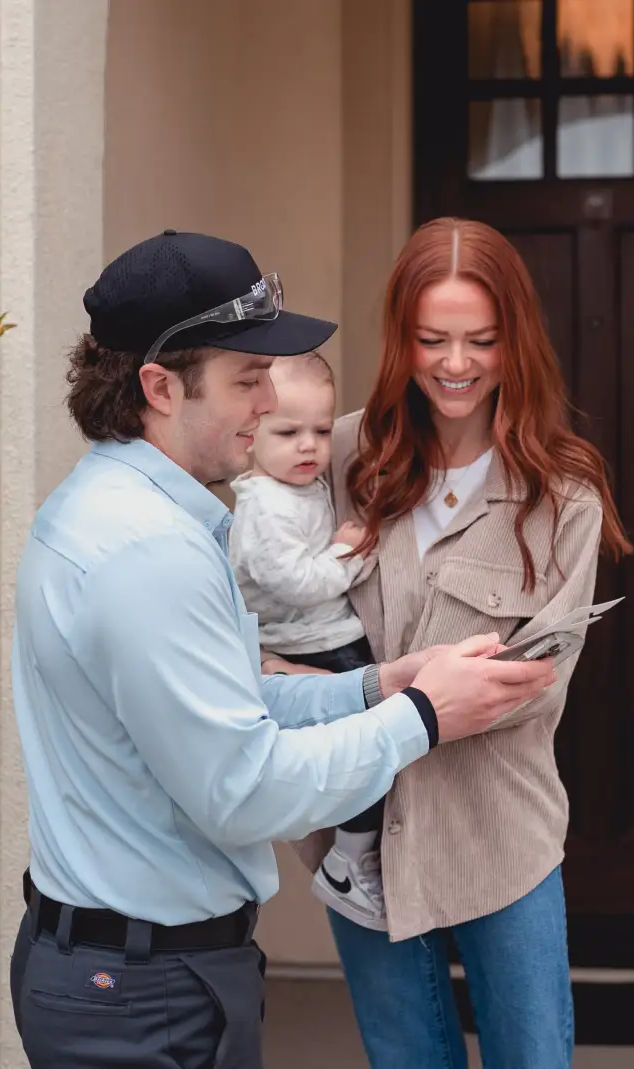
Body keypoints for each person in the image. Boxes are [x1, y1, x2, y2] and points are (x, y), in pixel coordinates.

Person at [7, 229, 559, 1069]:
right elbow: (245, 789)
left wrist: (372, 686)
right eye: (247, 378)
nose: (271, 403)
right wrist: (421, 715)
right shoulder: (145, 553)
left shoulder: (132, 513)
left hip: (150, 971)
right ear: (160, 386)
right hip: (141, 993)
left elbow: (235, 705)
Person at [282, 217, 633, 1069]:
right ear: (400, 337)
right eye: (431, 338)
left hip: (499, 837)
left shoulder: (564, 493)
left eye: (482, 339)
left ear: (517, 340)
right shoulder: (334, 457)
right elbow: (264, 613)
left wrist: (378, 690)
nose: (455, 363)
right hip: (358, 839)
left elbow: (537, 686)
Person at [226, 352, 388, 932]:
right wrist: (349, 550)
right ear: (252, 435)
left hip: (331, 639)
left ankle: (356, 852)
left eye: (322, 431)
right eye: (289, 432)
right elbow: (296, 582)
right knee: (375, 753)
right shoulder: (263, 506)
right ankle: (347, 860)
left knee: (380, 754)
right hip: (313, 650)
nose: (309, 446)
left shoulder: (303, 487)